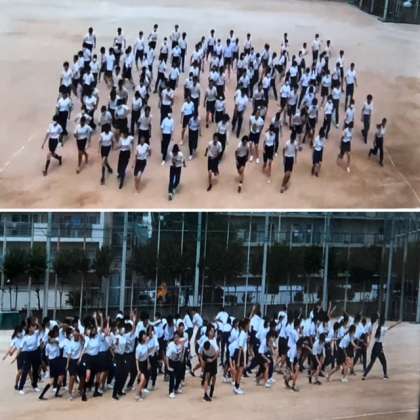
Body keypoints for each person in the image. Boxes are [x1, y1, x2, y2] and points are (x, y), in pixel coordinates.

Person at [198, 325, 219, 401]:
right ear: (208, 332)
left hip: (213, 360)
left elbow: (217, 352)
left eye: (213, 331)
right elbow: (200, 352)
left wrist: (212, 359)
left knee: (214, 376)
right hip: (207, 360)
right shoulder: (205, 341)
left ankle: (211, 390)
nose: (213, 333)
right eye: (211, 331)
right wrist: (202, 361)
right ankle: (205, 394)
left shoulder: (214, 340)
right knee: (207, 377)